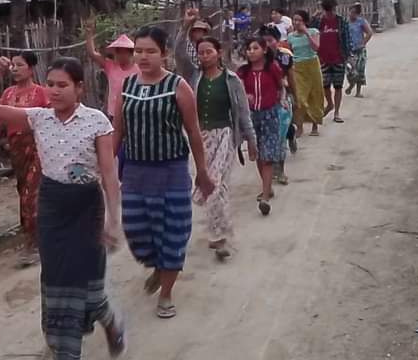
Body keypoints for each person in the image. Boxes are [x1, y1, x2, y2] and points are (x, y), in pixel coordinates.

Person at [0, 56, 126, 360]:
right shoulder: (38, 117)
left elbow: (109, 175)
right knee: (56, 276)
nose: (55, 91)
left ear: (80, 88)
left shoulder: (97, 121)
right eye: (50, 85)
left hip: (87, 207)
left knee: (87, 280)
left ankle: (109, 320)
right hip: (51, 207)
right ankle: (65, 347)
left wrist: (114, 220)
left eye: (63, 85)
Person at [114, 26, 215, 320]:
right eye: (139, 51)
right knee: (136, 231)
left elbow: (194, 133)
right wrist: (105, 169)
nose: (143, 57)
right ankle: (158, 266)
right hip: (135, 172)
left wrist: (203, 172)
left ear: (164, 54)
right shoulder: (127, 86)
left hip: (171, 171)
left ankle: (167, 293)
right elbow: (118, 131)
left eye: (150, 51)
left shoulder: (178, 86)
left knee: (173, 232)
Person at [0, 51, 49, 267]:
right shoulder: (7, 94)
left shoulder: (41, 93)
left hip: (36, 147)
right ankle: (32, 235)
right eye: (13, 65)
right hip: (16, 149)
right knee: (23, 191)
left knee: (30, 195)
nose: (15, 69)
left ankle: (34, 245)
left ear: (31, 68)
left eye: (20, 65)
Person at [192, 36, 258, 260]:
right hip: (201, 138)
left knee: (216, 184)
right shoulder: (194, 78)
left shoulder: (231, 80)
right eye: (201, 52)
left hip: (225, 136)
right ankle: (219, 229)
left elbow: (243, 113)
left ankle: (218, 236)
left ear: (219, 53)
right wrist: (186, 26)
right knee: (208, 184)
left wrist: (251, 141)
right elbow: (180, 51)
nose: (204, 56)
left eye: (208, 51)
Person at [238, 37, 288, 216]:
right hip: (251, 117)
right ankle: (267, 187)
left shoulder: (272, 67)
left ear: (264, 50)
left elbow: (281, 87)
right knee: (258, 154)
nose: (251, 51)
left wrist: (281, 101)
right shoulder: (243, 72)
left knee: (267, 156)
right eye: (248, 48)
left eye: (255, 48)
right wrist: (246, 98)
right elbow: (238, 92)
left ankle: (265, 196)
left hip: (270, 115)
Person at [260, 25, 298, 179]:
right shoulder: (255, 57)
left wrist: (296, 98)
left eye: (270, 40)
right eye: (264, 41)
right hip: (262, 103)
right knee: (267, 137)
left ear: (277, 40)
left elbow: (291, 78)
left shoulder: (285, 56)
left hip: (282, 100)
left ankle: (280, 170)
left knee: (280, 135)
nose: (267, 45)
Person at [84, 19, 137, 122]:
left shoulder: (139, 69)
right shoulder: (110, 66)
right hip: (113, 113)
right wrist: (89, 34)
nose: (118, 55)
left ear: (130, 53)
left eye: (122, 52)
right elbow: (92, 53)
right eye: (117, 52)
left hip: (133, 112)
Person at [314, 0, 352, 124]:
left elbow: (347, 39)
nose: (332, 12)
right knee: (325, 86)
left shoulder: (341, 21)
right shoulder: (318, 22)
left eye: (333, 9)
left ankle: (336, 112)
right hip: (323, 59)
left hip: (338, 58)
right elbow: (310, 33)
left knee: (338, 87)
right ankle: (330, 104)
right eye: (329, 10)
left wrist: (347, 57)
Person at [288, 11, 324, 137]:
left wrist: (307, 33)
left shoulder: (314, 32)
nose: (296, 23)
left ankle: (315, 125)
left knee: (315, 95)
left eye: (299, 20)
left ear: (305, 22)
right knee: (299, 98)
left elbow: (316, 47)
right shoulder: (291, 36)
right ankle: (300, 126)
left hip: (312, 65)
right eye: (294, 20)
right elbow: (289, 52)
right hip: (298, 67)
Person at [346, 4, 375, 98]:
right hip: (349, 50)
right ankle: (351, 85)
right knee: (350, 71)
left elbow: (369, 32)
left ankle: (358, 92)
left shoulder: (361, 21)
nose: (352, 14)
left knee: (360, 71)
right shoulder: (345, 23)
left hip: (360, 50)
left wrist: (363, 43)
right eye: (351, 12)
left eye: (355, 13)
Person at [174, 12, 212, 80]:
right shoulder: (187, 46)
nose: (199, 33)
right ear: (192, 32)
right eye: (196, 30)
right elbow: (179, 49)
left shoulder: (208, 47)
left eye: (201, 30)